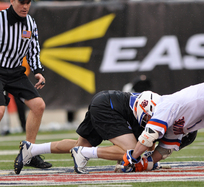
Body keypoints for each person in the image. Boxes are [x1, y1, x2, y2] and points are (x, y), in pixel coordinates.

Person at [14, 90, 150, 174]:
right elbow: (145, 145)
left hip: (103, 99)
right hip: (109, 106)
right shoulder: (161, 116)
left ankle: (32, 149)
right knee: (133, 151)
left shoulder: (160, 108)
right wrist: (148, 162)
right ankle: (83, 154)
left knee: (80, 145)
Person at [1, 0, 52, 171]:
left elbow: (33, 48)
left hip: (15, 72)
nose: (25, 6)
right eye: (21, 2)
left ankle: (28, 153)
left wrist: (38, 70)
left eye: (28, 2)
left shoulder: (30, 22)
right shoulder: (0, 19)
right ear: (12, 1)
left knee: (38, 106)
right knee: (0, 110)